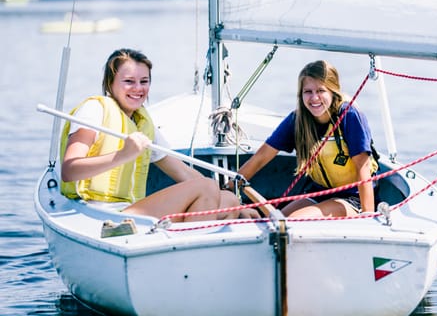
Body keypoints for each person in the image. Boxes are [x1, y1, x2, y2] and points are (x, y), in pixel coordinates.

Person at [60, 48, 258, 222]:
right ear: (111, 84)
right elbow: (69, 171)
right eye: (129, 81)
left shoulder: (143, 124)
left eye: (144, 81)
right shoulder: (94, 109)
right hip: (95, 212)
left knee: (227, 200)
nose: (138, 89)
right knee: (206, 188)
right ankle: (189, 254)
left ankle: (189, 250)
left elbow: (184, 173)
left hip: (128, 211)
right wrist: (123, 155)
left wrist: (239, 208)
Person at [229, 60, 379, 217]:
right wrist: (229, 188)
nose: (314, 98)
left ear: (332, 91)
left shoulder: (349, 115)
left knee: (294, 221)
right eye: (308, 91)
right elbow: (261, 157)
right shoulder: (297, 120)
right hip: (319, 193)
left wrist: (367, 216)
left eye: (321, 91)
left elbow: (363, 167)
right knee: (273, 221)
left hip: (353, 198)